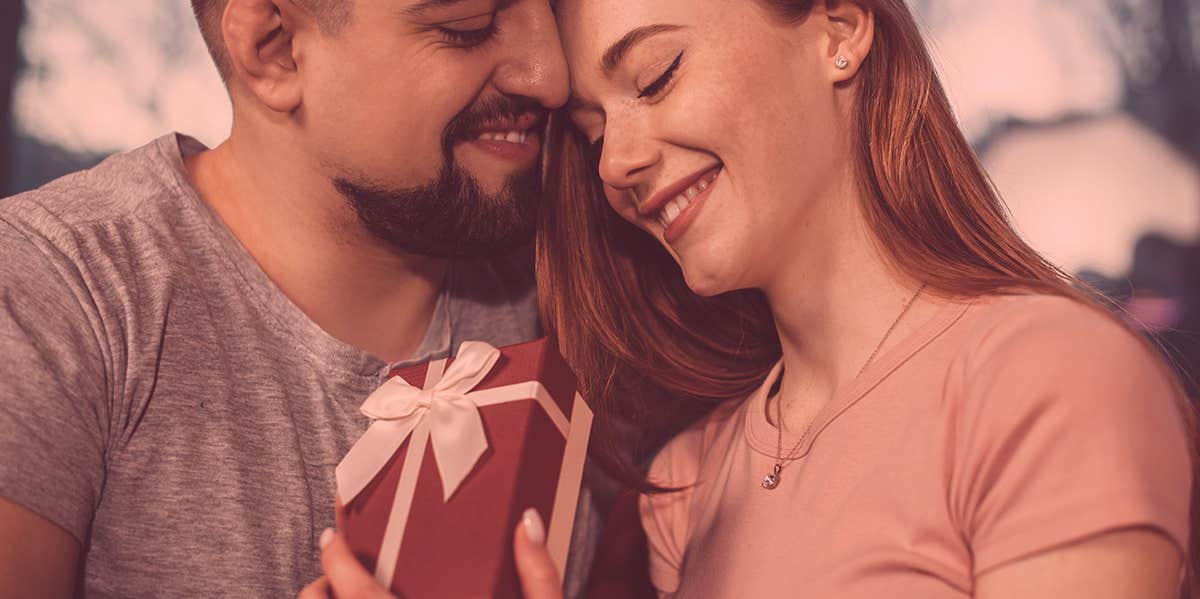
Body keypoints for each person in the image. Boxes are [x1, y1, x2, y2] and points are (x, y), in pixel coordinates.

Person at [520, 0, 1194, 597]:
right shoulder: (685, 486)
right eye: (594, 132)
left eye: (655, 75)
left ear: (837, 28)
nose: (614, 164)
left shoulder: (1049, 379)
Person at [0, 0, 598, 596]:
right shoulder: (48, 293)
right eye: (466, 27)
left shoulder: (580, 279)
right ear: (275, 48)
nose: (550, 77)